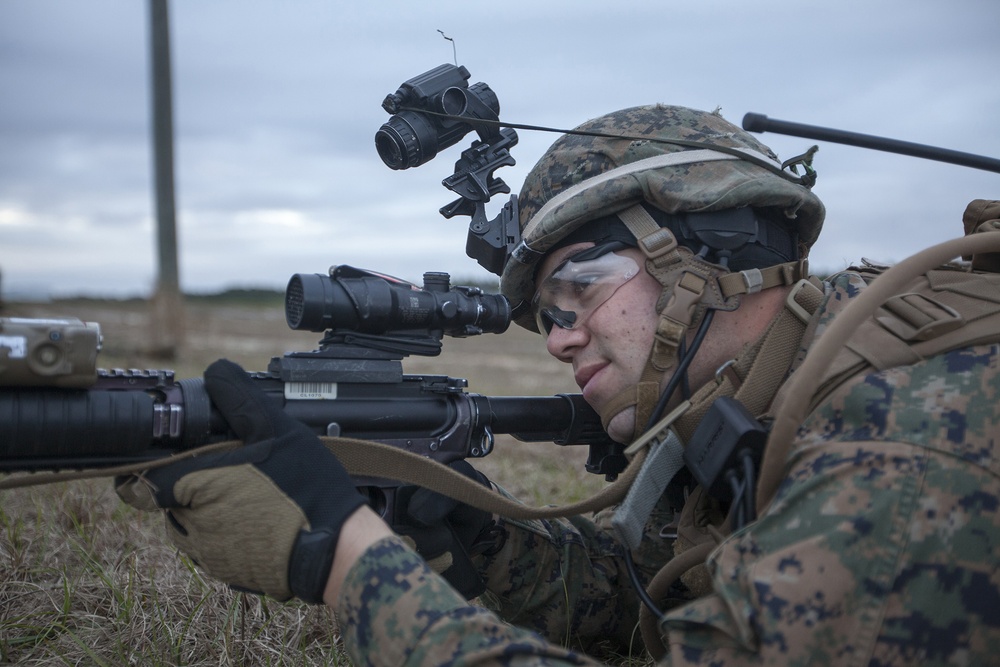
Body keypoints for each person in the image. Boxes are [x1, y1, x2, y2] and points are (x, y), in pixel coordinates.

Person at [116, 105, 1000, 665]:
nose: (559, 335)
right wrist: (473, 534)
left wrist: (351, 564)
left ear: (717, 252)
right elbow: (644, 601)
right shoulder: (750, 394)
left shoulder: (903, 428)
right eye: (545, 312)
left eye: (582, 286)